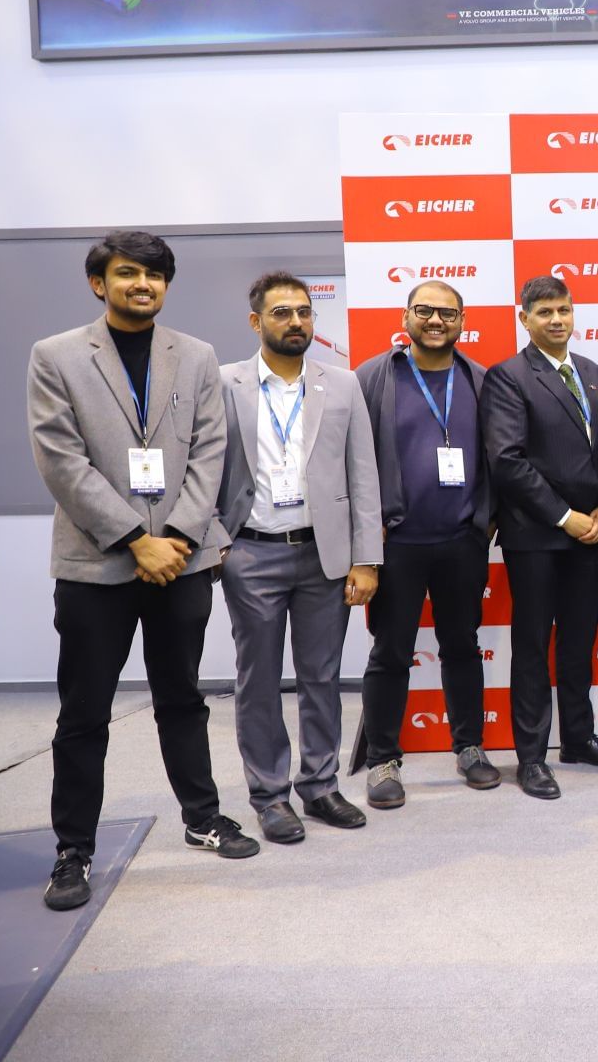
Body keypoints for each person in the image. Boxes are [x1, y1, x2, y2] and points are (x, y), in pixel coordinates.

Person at [29, 231, 259, 910]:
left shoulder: (196, 356)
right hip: (96, 563)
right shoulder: (57, 355)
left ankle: (202, 818)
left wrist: (177, 539)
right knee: (84, 712)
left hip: (181, 562)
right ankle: (73, 849)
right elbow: (61, 459)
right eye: (128, 273)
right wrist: (137, 539)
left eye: (155, 275)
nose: (143, 284)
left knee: (182, 699)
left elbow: (210, 451)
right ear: (99, 283)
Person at [216, 272, 382, 845]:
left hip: (323, 556)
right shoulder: (225, 383)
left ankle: (320, 785)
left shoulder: (342, 384)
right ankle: (269, 795)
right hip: (251, 553)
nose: (296, 322)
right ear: (256, 321)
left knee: (322, 677)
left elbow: (363, 476)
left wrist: (367, 559)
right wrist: (218, 546)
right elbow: (202, 469)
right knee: (258, 680)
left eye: (305, 312)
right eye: (282, 312)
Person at [348, 281, 500, 808]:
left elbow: (500, 457)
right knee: (391, 652)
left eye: (448, 313)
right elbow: (352, 459)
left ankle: (470, 748)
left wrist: (486, 519)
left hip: (462, 541)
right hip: (397, 544)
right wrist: (365, 535)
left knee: (462, 646)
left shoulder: (480, 379)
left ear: (463, 321)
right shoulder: (373, 377)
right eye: (425, 311)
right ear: (405, 317)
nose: (436, 321)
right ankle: (382, 760)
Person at [480, 275, 598, 800]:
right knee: (532, 646)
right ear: (524, 319)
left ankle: (579, 738)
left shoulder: (591, 372)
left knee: (579, 641)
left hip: (592, 532)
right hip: (538, 534)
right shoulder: (508, 376)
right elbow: (508, 461)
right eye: (545, 312)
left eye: (564, 310)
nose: (557, 319)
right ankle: (532, 757)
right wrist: (566, 517)